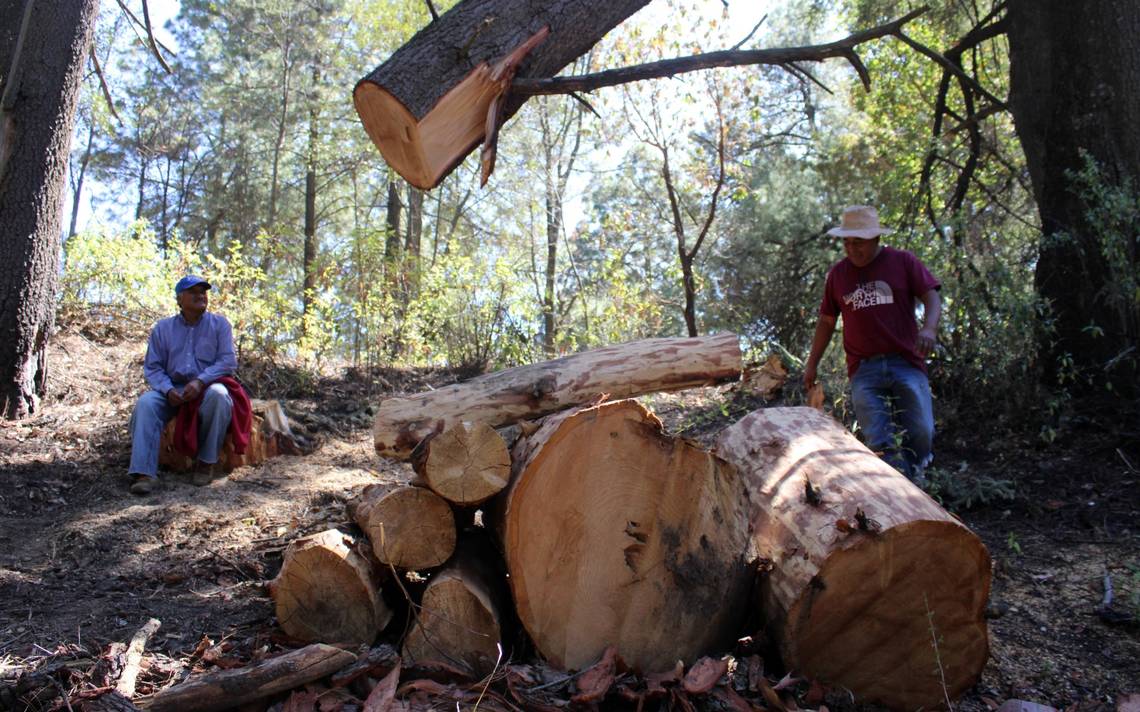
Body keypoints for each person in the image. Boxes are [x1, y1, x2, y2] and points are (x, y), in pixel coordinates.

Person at [803, 205, 942, 484]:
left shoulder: (902, 262)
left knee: (921, 431)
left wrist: (929, 328)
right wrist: (811, 364)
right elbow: (827, 322)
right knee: (878, 436)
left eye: (859, 242)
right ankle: (893, 486)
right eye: (847, 242)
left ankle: (917, 477)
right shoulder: (838, 275)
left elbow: (932, 296)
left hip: (906, 361)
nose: (852, 249)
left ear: (876, 239)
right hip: (863, 368)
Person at [126, 275, 247, 495]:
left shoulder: (220, 324)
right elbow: (153, 368)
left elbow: (227, 361)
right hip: (172, 389)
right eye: (193, 292)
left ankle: (206, 462)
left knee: (219, 395)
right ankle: (144, 473)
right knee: (146, 403)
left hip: (207, 386)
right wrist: (167, 389)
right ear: (179, 299)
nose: (200, 296)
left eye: (203, 292)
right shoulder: (163, 329)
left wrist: (201, 381)